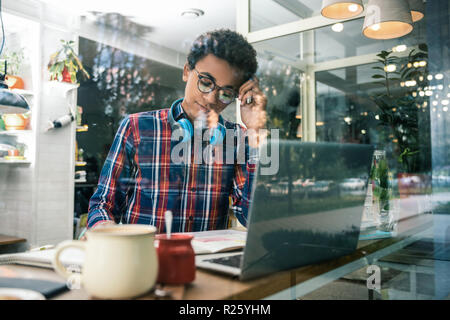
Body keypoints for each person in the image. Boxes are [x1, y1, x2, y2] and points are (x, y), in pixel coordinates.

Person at [86, 29, 267, 234]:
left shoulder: (237, 139)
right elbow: (103, 203)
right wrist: (103, 226)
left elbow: (253, 217)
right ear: (186, 71)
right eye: (206, 82)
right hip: (145, 259)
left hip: (204, 263)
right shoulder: (135, 128)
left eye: (226, 93)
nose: (210, 99)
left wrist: (254, 130)